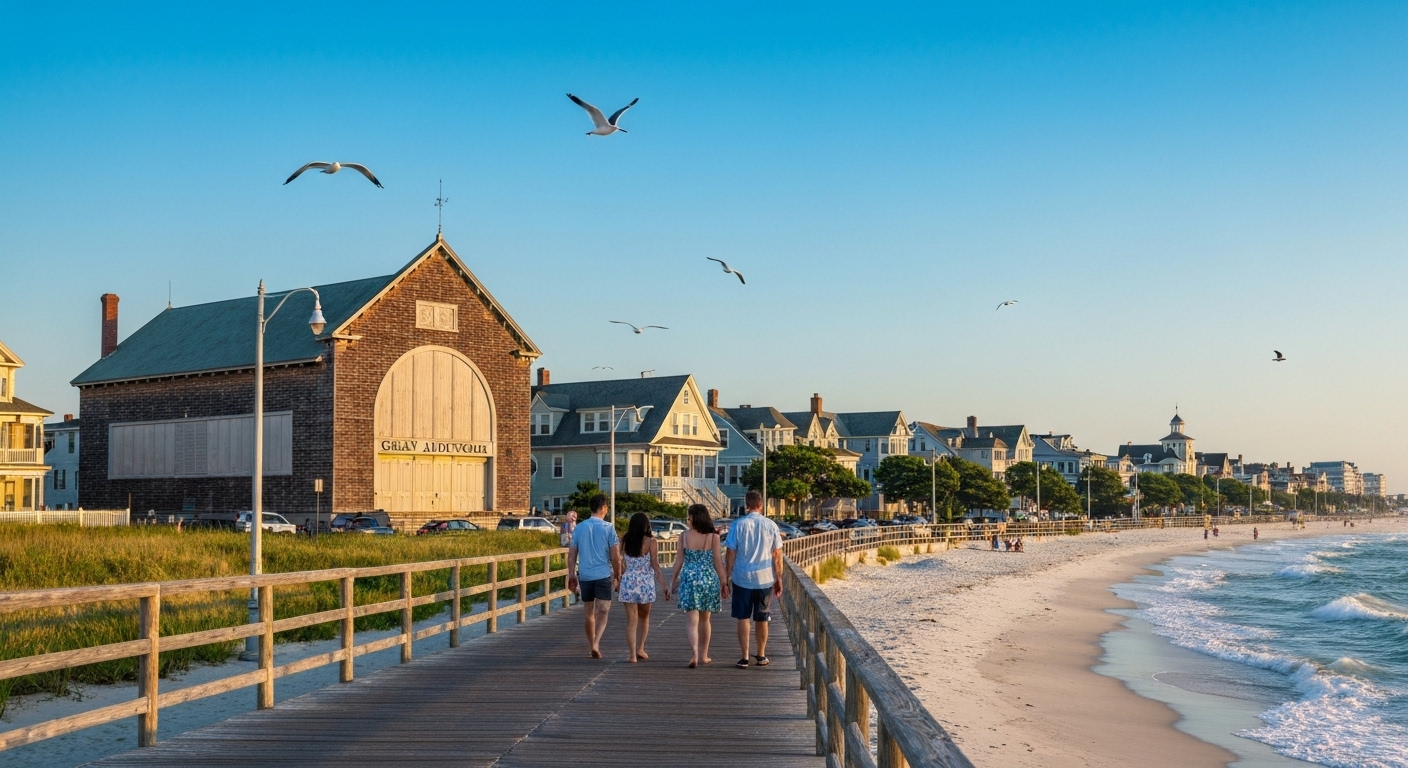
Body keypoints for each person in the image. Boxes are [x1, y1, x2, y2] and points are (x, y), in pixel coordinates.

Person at [725, 490, 784, 669]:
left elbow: (731, 552)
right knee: (762, 618)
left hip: (742, 577)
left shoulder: (738, 525)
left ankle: (744, 658)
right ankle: (761, 655)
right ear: (761, 505)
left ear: (746, 505)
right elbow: (777, 554)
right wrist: (778, 577)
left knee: (743, 618)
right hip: (764, 579)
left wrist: (727, 575)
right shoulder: (771, 525)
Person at [670, 504, 728, 668]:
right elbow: (718, 561)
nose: (688, 520)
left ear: (694, 517)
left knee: (691, 620)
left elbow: (678, 561)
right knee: (705, 619)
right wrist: (724, 582)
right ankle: (704, 655)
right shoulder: (713, 537)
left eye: (689, 517)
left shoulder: (684, 537)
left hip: (689, 579)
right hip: (708, 579)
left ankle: (694, 652)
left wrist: (673, 580)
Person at [566, 495, 622, 659]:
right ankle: (596, 643)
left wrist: (571, 574)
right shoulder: (608, 528)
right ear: (604, 507)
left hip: (585, 575)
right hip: (603, 574)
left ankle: (592, 645)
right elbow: (615, 556)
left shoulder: (580, 528)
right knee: (603, 611)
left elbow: (571, 555)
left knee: (588, 612)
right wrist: (618, 574)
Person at [618, 513, 666, 663]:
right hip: (645, 583)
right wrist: (664, 585)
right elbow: (655, 565)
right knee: (644, 618)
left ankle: (632, 655)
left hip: (629, 582)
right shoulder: (651, 541)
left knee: (631, 621)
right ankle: (640, 649)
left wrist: (617, 578)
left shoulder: (624, 541)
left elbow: (620, 563)